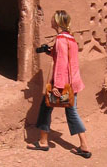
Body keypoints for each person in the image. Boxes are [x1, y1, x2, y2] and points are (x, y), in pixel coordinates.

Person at [31, 10, 92, 158]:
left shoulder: (60, 40)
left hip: (63, 84)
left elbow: (62, 64)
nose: (51, 21)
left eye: (53, 19)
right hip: (73, 82)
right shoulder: (70, 39)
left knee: (46, 108)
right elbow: (67, 59)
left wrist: (57, 87)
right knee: (71, 111)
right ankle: (83, 146)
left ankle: (44, 142)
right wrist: (51, 52)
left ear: (57, 22)